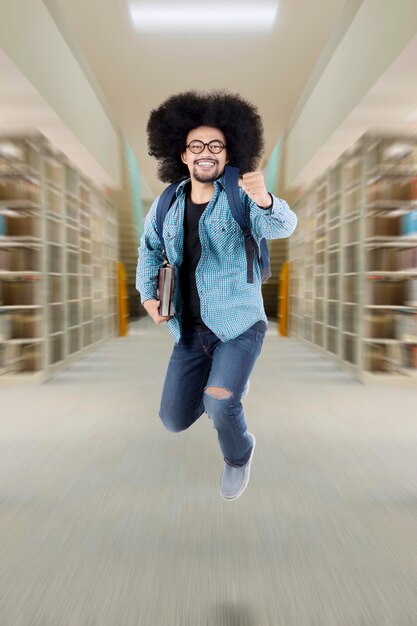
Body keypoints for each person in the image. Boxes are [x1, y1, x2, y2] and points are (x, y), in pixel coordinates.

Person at [136, 90, 297, 501]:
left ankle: (239, 453)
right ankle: (218, 390)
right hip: (188, 329)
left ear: (228, 153)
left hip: (240, 323)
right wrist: (147, 294)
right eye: (197, 146)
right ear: (183, 154)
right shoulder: (166, 203)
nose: (206, 152)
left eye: (216, 146)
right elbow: (149, 250)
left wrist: (264, 198)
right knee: (172, 419)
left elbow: (283, 225)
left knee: (220, 403)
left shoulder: (241, 194)